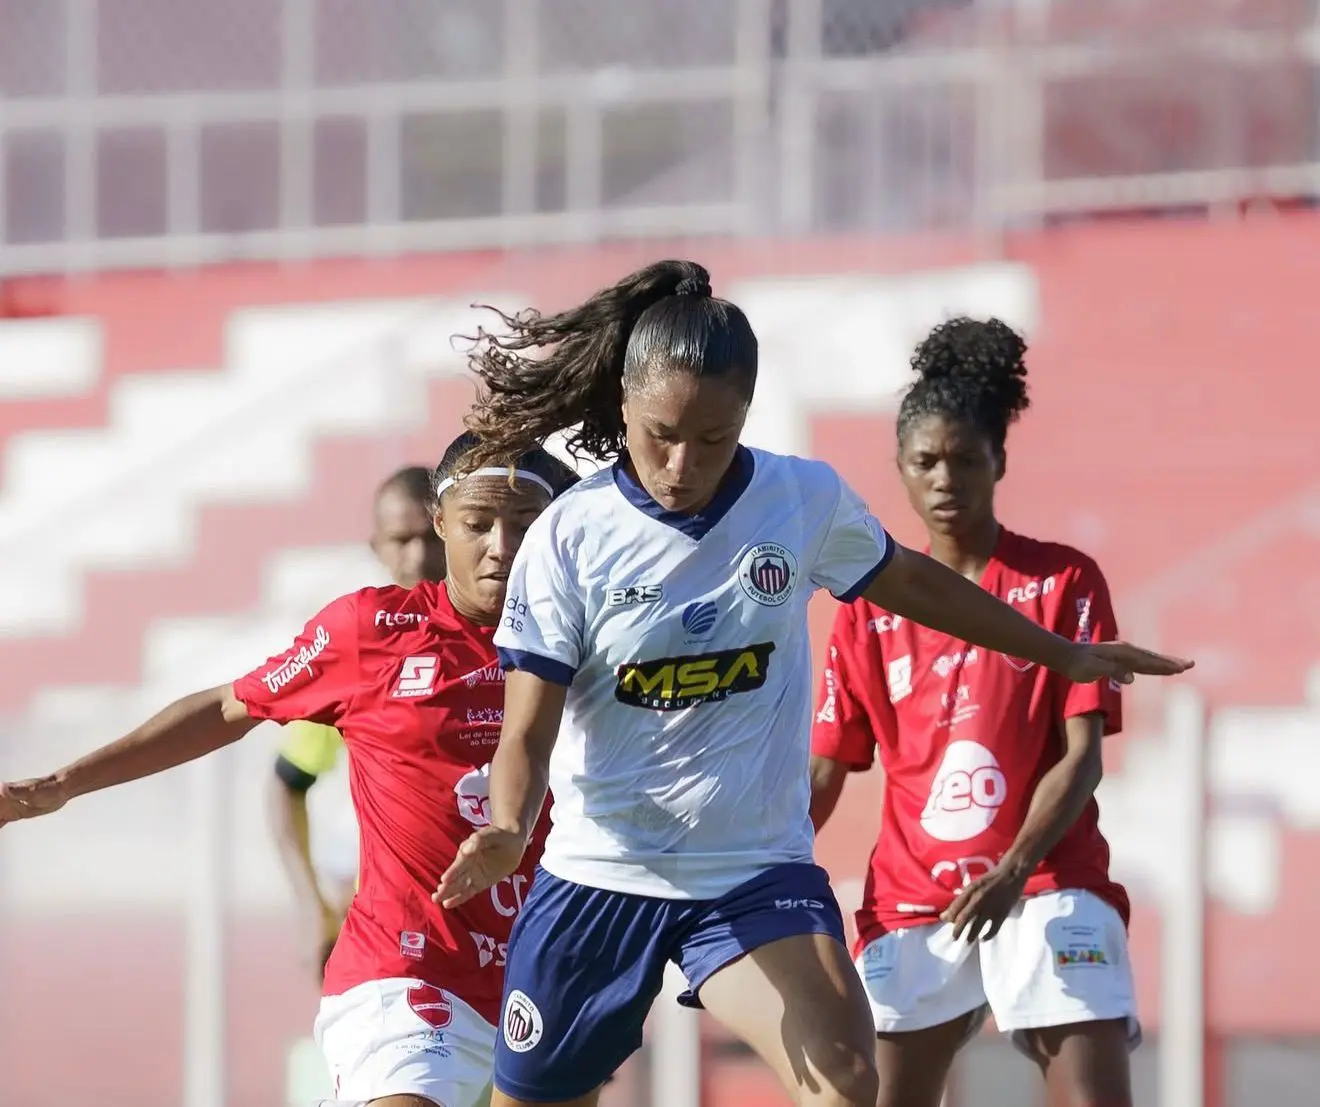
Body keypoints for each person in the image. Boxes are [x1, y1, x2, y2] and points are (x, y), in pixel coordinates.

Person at [431, 260, 1191, 1107]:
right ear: (622, 406)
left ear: (745, 417)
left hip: (752, 869)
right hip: (602, 872)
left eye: (712, 440)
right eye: (659, 434)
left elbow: (921, 584)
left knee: (847, 1082)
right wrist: (506, 824)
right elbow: (527, 734)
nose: (682, 463)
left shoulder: (800, 499)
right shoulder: (569, 536)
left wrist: (1058, 651)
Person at [0, 433, 578, 1107]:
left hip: (544, 977)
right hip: (407, 970)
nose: (501, 546)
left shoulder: (583, 638)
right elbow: (227, 708)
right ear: (442, 521)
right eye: (478, 524)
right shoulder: (372, 631)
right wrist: (64, 784)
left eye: (524, 525)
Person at [809, 316, 1141, 1107]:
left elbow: (1082, 754)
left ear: (1000, 459)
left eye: (965, 458)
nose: (945, 478)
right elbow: (827, 765)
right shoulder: (867, 608)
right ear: (899, 467)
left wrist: (1015, 867)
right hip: (912, 901)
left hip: (1045, 882)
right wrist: (755, 870)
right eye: (925, 460)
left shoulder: (1063, 580)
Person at [270, 464, 447, 977]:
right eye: (401, 539)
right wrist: (314, 905)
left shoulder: (507, 636)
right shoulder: (360, 651)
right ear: (376, 547)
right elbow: (287, 784)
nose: (418, 556)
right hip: (385, 913)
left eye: (430, 536)